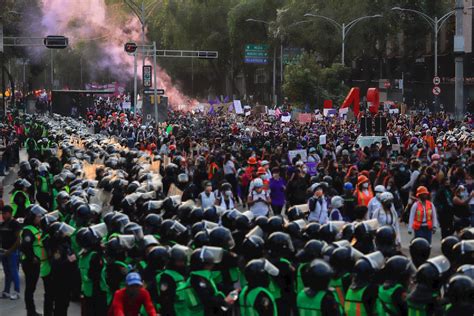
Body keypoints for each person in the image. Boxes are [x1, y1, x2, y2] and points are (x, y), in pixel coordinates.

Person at [20, 204, 52, 316]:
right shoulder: (28, 231)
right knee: (30, 289)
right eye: (37, 216)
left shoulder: (35, 228)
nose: (39, 218)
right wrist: (32, 257)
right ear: (31, 217)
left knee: (32, 287)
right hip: (30, 263)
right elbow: (25, 246)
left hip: (38, 263)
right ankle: (31, 312)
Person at [1, 205, 21, 299]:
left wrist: (10, 250)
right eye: (2, 213)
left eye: (5, 213)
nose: (3, 215)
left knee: (14, 272)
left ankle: (17, 292)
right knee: (7, 272)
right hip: (3, 252)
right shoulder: (2, 224)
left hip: (12, 252)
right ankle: (6, 291)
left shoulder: (15, 224)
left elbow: (18, 240)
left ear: (10, 213)